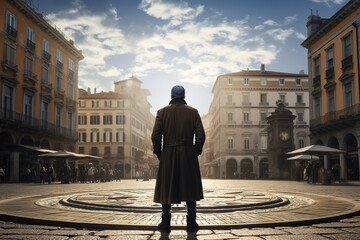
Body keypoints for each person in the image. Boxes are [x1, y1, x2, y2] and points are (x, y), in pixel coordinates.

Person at [151, 85, 206, 233]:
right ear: (184, 97)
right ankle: (192, 223)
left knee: (167, 187)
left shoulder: (162, 112)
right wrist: (195, 152)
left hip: (168, 153)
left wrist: (160, 153)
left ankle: (165, 222)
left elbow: (155, 136)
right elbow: (201, 136)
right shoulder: (193, 112)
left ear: (171, 97)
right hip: (188, 153)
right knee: (190, 188)